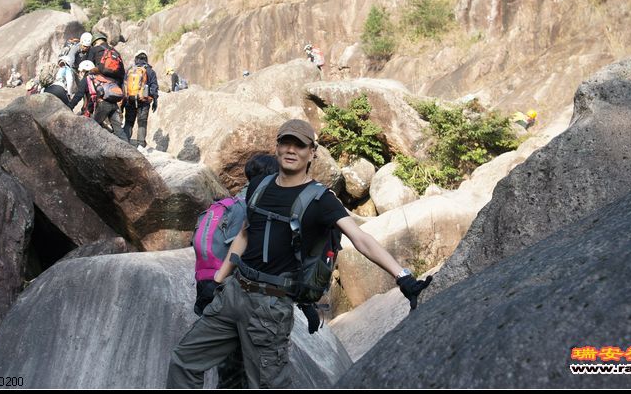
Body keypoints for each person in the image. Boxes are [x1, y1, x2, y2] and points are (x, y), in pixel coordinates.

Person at [167, 119, 432, 389]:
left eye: (300, 145)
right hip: (233, 294)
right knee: (184, 360)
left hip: (269, 308)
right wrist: (218, 281)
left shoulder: (321, 200)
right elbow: (246, 233)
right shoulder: (261, 186)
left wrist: (403, 276)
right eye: (286, 143)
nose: (291, 150)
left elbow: (361, 238)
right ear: (278, 147)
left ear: (312, 152)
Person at [193, 154, 280, 390]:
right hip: (230, 292)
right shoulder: (251, 207)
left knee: (230, 365)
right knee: (241, 364)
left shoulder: (229, 203)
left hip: (207, 285)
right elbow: (243, 253)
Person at [68, 60, 127, 141]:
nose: (80, 73)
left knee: (93, 127)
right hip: (113, 103)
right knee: (118, 130)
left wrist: (69, 106)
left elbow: (78, 96)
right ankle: (128, 148)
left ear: (84, 71)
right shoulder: (102, 77)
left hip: (103, 105)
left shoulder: (87, 79)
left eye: (81, 71)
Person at [123, 50, 159, 147]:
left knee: (129, 122)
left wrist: (124, 102)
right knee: (142, 123)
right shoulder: (150, 71)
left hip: (130, 100)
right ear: (146, 59)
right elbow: (154, 87)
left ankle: (125, 141)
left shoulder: (130, 70)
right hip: (144, 101)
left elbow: (125, 85)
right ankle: (141, 144)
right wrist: (155, 101)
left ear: (136, 59)